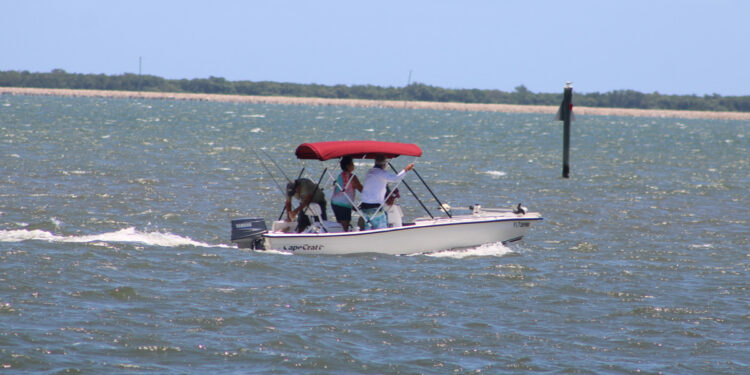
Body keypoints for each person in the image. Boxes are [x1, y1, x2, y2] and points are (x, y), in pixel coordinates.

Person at [360, 155, 414, 230]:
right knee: (382, 228)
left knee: (368, 227)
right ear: (384, 165)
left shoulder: (370, 172)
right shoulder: (381, 173)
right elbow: (396, 179)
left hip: (364, 206)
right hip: (375, 207)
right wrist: (406, 169)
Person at [330, 156, 363, 231]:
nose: (354, 165)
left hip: (335, 203)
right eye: (352, 163)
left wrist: (352, 206)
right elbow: (361, 190)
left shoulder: (340, 175)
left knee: (340, 225)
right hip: (343, 204)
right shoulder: (352, 177)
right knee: (345, 226)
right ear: (348, 166)